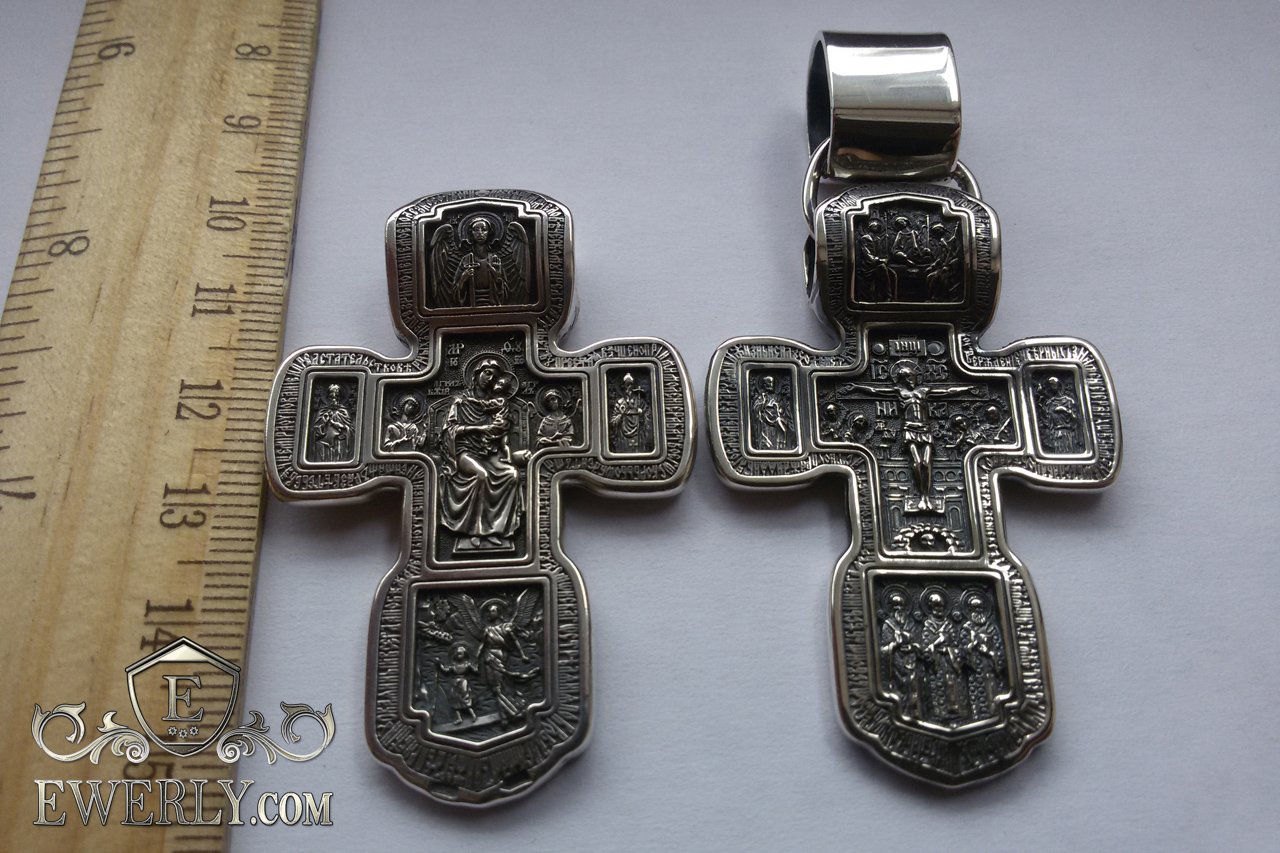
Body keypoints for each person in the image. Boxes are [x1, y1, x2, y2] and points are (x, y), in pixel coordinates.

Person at [850, 361, 975, 511]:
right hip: (909, 429)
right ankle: (921, 497)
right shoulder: (900, 392)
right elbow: (875, 390)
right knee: (917, 462)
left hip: (925, 430)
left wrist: (967, 388)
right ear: (902, 379)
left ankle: (926, 497)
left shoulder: (924, 391)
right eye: (907, 377)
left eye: (912, 376)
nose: (910, 380)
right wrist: (857, 387)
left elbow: (947, 391)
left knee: (927, 463)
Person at [440, 358, 525, 551]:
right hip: (463, 453)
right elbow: (449, 431)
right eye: (486, 373)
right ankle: (476, 533)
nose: (490, 378)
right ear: (476, 374)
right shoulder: (460, 402)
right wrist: (477, 429)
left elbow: (499, 430)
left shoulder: (495, 403)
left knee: (512, 475)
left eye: (494, 376)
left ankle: (495, 531)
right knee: (482, 475)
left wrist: (500, 427)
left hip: (488, 453)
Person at [609, 373, 650, 451]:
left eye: (630, 385)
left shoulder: (640, 402)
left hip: (638, 437)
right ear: (623, 387)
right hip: (623, 438)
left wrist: (641, 414)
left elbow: (648, 421)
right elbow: (613, 422)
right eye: (626, 385)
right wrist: (621, 414)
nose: (628, 388)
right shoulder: (620, 403)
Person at [311, 383, 352, 462]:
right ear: (328, 398)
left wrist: (342, 427)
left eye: (336, 397)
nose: (334, 400)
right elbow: (314, 432)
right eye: (331, 397)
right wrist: (324, 423)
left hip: (340, 442)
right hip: (324, 444)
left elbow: (351, 431)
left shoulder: (343, 412)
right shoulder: (322, 412)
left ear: (340, 398)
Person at [750, 375, 790, 450]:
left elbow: (782, 410)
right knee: (766, 440)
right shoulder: (761, 397)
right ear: (764, 385)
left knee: (776, 437)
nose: (771, 385)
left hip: (775, 422)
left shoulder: (777, 397)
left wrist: (778, 409)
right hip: (764, 423)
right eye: (769, 383)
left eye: (772, 383)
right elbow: (755, 409)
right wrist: (763, 402)